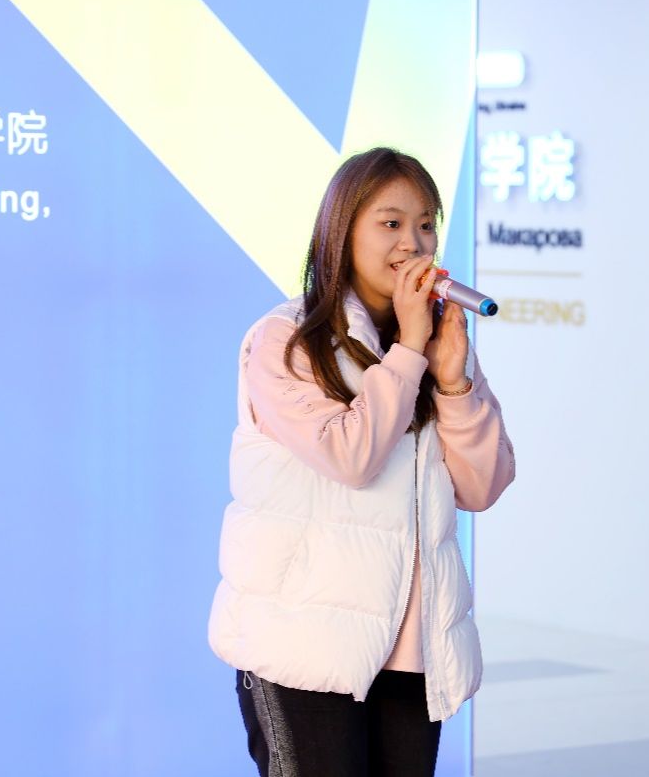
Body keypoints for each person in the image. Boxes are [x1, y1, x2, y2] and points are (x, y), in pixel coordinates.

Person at [208, 147, 515, 776]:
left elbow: (482, 486)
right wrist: (409, 349)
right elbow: (350, 458)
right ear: (342, 232)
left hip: (412, 651)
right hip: (304, 647)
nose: (413, 243)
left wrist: (453, 382)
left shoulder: (433, 343)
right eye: (391, 223)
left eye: (426, 224)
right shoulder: (287, 340)